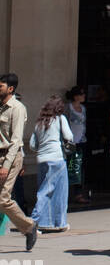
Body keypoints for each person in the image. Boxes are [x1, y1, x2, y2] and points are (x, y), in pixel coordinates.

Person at [0, 74, 37, 252]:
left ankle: (29, 227)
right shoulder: (0, 107)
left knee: (3, 199)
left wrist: (6, 166)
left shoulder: (17, 108)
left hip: (10, 157)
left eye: (1, 86)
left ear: (10, 89)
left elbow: (16, 141)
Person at [29, 94, 74, 233]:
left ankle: (49, 223)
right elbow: (69, 136)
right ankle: (34, 222)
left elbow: (32, 145)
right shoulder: (60, 119)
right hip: (57, 159)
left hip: (42, 159)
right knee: (57, 192)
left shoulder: (39, 123)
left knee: (45, 189)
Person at [65, 86, 88, 205]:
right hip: (69, 142)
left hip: (80, 140)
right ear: (75, 96)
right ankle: (66, 193)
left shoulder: (83, 108)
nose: (84, 96)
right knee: (69, 166)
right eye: (81, 94)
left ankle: (78, 194)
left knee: (78, 167)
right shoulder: (68, 107)